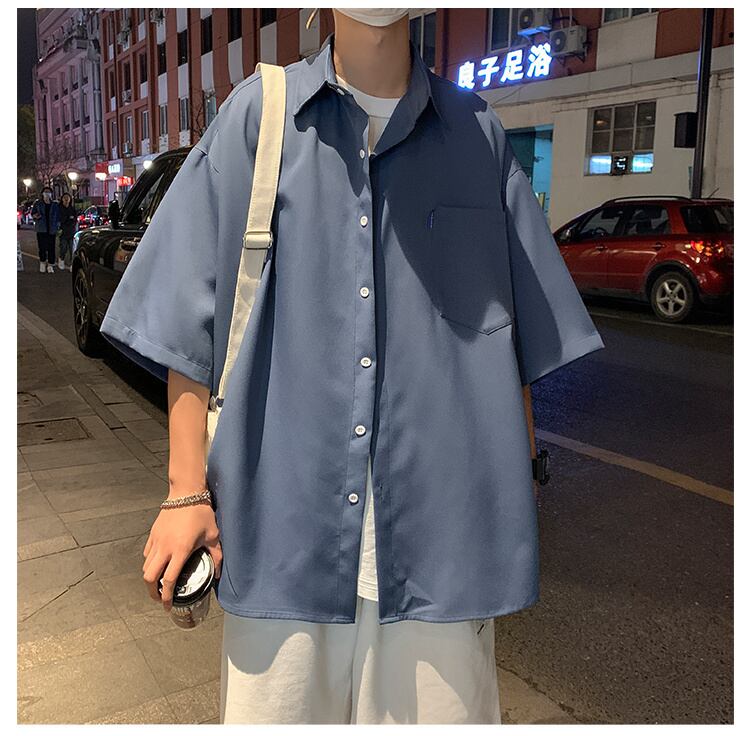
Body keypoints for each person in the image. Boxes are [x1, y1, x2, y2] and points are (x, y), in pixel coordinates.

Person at [99, 8, 605, 725]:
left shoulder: (477, 133)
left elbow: (512, 337)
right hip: (283, 532)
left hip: (445, 542)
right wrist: (186, 494)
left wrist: (518, 489)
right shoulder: (259, 118)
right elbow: (189, 321)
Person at [30, 186, 59, 273]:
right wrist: (35, 216)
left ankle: (50, 265)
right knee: (42, 247)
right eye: (45, 192)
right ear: (42, 193)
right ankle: (42, 263)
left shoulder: (54, 204)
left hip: (52, 229)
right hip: (41, 228)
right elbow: (33, 213)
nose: (47, 194)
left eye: (49, 192)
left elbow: (58, 216)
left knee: (51, 248)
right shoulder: (38, 203)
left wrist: (58, 226)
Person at [57, 192, 78, 270]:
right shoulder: (59, 209)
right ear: (62, 199)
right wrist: (68, 218)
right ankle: (61, 259)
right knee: (63, 247)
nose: (66, 199)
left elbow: (74, 219)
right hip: (63, 232)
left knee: (72, 249)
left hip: (71, 232)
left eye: (68, 198)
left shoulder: (72, 209)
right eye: (65, 197)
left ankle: (72, 264)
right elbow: (60, 219)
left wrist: (70, 219)